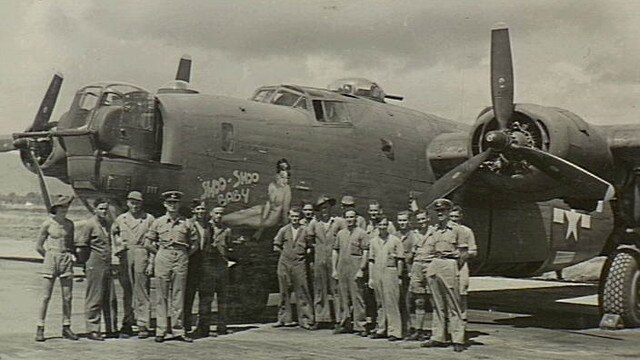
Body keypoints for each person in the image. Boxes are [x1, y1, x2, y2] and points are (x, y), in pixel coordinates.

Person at [145, 191, 198, 343]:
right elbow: (148, 243)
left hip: (181, 257)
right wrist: (160, 253)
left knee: (178, 295)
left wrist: (185, 254)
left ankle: (177, 330)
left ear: (179, 204)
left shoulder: (187, 222)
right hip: (163, 256)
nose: (172, 205)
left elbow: (194, 243)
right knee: (161, 295)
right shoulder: (158, 222)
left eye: (175, 203)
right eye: (169, 203)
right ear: (165, 204)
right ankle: (160, 330)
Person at [420, 199, 468, 353]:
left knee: (454, 304)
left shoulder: (457, 230)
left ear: (449, 212)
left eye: (443, 211)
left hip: (449, 264)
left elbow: (464, 253)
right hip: (435, 264)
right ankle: (438, 336)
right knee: (437, 304)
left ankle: (458, 339)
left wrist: (455, 268)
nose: (440, 214)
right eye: (438, 212)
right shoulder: (434, 230)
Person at [111, 191, 155, 338]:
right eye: (132, 202)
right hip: (126, 254)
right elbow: (114, 234)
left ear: (142, 203)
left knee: (142, 290)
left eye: (138, 202)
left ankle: (143, 324)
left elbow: (154, 242)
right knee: (127, 291)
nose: (135, 205)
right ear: (127, 203)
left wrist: (151, 262)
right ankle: (128, 323)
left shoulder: (149, 219)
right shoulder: (120, 219)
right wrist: (117, 249)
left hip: (142, 253)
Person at [34, 194, 78, 342]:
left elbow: (71, 244)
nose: (65, 210)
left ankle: (66, 326)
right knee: (46, 297)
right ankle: (40, 327)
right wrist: (49, 257)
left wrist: (71, 255)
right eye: (62, 207)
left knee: (68, 297)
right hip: (51, 258)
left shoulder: (70, 224)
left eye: (67, 207)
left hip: (65, 259)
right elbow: (38, 246)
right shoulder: (47, 224)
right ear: (56, 208)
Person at [77, 198, 118, 341]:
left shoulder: (107, 224)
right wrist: (86, 264)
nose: (104, 211)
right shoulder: (90, 224)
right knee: (95, 297)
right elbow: (82, 246)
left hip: (107, 264)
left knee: (110, 297)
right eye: (101, 208)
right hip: (94, 263)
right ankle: (93, 329)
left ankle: (111, 328)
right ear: (94, 209)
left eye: (106, 209)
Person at [272, 207, 315, 329]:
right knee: (284, 291)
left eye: (297, 217)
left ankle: (306, 319)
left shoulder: (305, 231)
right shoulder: (284, 230)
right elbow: (276, 245)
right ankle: (283, 318)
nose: (295, 219)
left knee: (302, 291)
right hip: (284, 264)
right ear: (289, 217)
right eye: (292, 216)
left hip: (299, 264)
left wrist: (305, 252)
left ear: (300, 218)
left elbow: (310, 246)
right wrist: (285, 255)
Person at [332, 209, 369, 334]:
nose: (349, 219)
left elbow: (365, 252)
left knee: (357, 297)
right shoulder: (341, 233)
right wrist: (334, 269)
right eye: (347, 217)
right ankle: (344, 323)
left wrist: (361, 269)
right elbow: (335, 251)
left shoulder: (362, 233)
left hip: (355, 268)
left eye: (352, 217)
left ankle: (360, 325)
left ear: (356, 218)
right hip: (342, 268)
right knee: (343, 297)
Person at [368, 217, 404, 341]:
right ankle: (381, 328)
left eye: (385, 224)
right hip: (377, 271)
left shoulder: (395, 240)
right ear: (377, 226)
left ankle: (395, 331)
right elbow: (371, 260)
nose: (382, 227)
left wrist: (399, 276)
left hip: (390, 272)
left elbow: (400, 259)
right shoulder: (373, 241)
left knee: (391, 301)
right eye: (380, 225)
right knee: (380, 302)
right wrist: (371, 277)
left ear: (388, 225)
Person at [309, 195, 340, 329]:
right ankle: (321, 318)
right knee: (319, 289)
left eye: (327, 208)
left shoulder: (338, 222)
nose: (325, 211)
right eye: (322, 209)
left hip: (334, 260)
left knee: (336, 290)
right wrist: (317, 249)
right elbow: (309, 239)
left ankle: (339, 320)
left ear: (330, 208)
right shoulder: (315, 223)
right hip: (319, 260)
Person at [183, 200, 210, 335]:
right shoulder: (188, 223)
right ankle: (186, 325)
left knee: (205, 295)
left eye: (203, 209)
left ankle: (203, 326)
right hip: (191, 262)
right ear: (193, 210)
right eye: (198, 209)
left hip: (204, 264)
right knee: (188, 295)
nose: (201, 212)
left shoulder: (208, 226)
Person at [449, 205, 477, 327]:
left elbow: (474, 251)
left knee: (461, 293)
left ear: (461, 217)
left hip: (461, 265)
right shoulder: (442, 230)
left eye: (456, 217)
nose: (454, 219)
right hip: (447, 265)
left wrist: (462, 255)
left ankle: (463, 318)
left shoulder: (467, 231)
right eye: (451, 217)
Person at [407, 210, 431, 341]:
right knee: (419, 301)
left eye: (423, 219)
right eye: (419, 220)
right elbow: (410, 254)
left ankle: (440, 332)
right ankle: (419, 330)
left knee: (436, 301)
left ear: (428, 218)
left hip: (431, 266)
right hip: (417, 266)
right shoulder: (415, 234)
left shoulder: (435, 232)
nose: (421, 222)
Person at [395, 210, 418, 338]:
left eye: (404, 220)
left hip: (408, 272)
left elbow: (414, 253)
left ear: (409, 221)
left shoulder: (413, 236)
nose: (402, 223)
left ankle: (408, 327)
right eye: (400, 221)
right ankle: (398, 327)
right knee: (397, 299)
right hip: (396, 272)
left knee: (407, 301)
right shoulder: (395, 235)